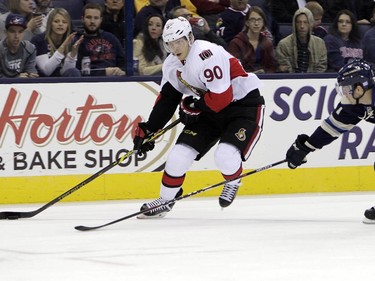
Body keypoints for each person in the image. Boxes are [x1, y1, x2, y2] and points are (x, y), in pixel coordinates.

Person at [133, 16, 265, 218]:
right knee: (178, 156)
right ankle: (166, 201)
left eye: (179, 41)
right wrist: (150, 128)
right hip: (211, 108)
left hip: (243, 106)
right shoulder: (171, 65)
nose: (175, 48)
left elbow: (222, 98)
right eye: (170, 43)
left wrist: (194, 106)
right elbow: (168, 98)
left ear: (190, 38)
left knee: (224, 156)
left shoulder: (206, 54)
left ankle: (233, 180)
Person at [285, 58, 375, 224]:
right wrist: (306, 147)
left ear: (360, 87)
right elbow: (331, 129)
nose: (345, 92)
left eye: (347, 88)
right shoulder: (353, 105)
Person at [73, 3, 125, 76]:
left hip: (114, 79)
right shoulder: (77, 40)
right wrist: (103, 72)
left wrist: (122, 71)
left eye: (96, 18)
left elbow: (123, 62)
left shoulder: (111, 38)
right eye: (88, 17)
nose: (92, 21)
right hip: (89, 82)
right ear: (82, 19)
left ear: (101, 20)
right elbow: (78, 69)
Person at [31, 8, 83, 77]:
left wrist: (72, 55)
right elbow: (46, 71)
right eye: (56, 21)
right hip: (43, 81)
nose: (60, 24)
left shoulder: (71, 40)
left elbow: (66, 72)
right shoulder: (39, 40)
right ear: (50, 24)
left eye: (64, 22)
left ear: (68, 25)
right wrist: (63, 47)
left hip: (61, 82)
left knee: (74, 72)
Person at [275, 7, 327, 73]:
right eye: (299, 22)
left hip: (314, 81)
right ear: (294, 24)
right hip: (290, 81)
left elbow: (321, 67)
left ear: (310, 24)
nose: (302, 26)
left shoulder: (320, 44)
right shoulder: (284, 44)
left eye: (305, 22)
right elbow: (284, 67)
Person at [228, 6, 276, 73]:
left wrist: (264, 72)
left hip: (264, 79)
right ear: (247, 23)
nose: (256, 23)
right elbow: (233, 68)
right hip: (243, 80)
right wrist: (252, 74)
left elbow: (272, 67)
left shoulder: (267, 43)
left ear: (263, 23)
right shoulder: (236, 43)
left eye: (259, 20)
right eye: (253, 20)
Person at [0, 13, 38, 77]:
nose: (16, 36)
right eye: (12, 31)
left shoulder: (30, 49)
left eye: (20, 32)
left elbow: (31, 71)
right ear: (5, 32)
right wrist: (16, 78)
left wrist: (31, 75)